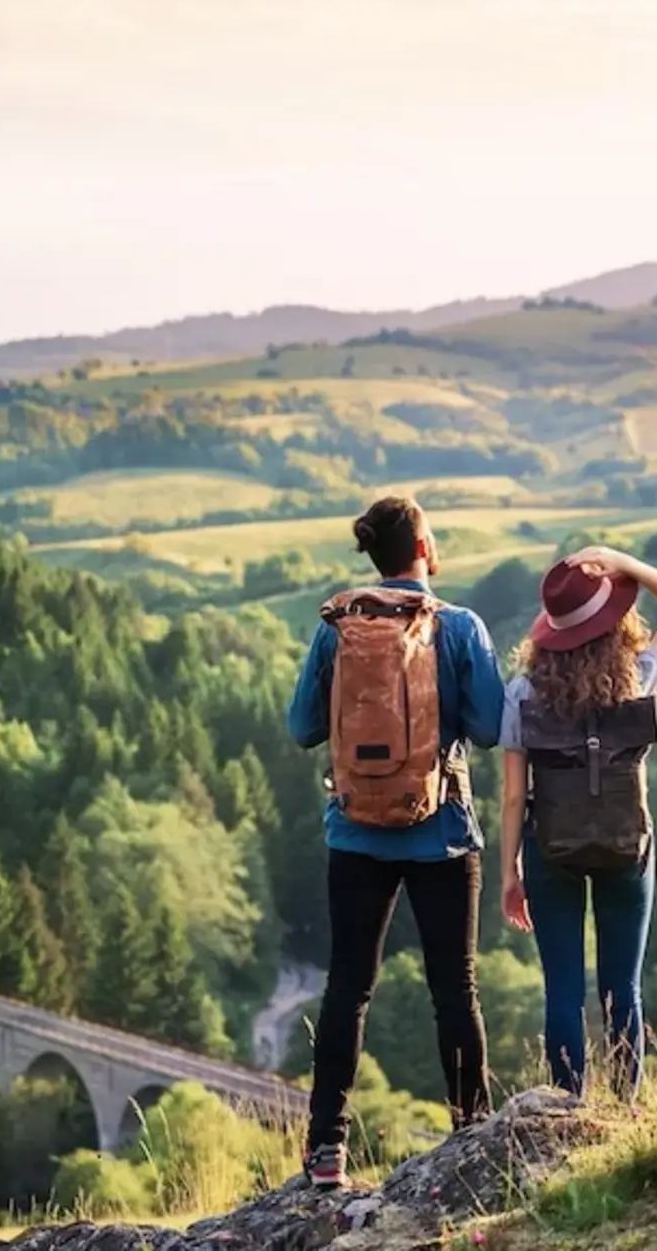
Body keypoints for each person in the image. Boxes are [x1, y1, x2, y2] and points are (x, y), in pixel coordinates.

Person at [287, 496, 506, 1188]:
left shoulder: (336, 628)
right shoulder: (460, 626)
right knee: (455, 988)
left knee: (347, 987)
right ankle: (472, 1130)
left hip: (355, 831)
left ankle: (327, 1150)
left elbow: (301, 728)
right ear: (423, 547)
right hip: (440, 830)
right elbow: (495, 726)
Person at [497, 545, 657, 1099]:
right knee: (622, 987)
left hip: (550, 849)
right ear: (615, 624)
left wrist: (510, 875)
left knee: (562, 990)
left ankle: (567, 1106)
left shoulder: (523, 693)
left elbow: (514, 798)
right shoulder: (641, 676)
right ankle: (628, 1104)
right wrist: (623, 563)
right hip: (627, 849)